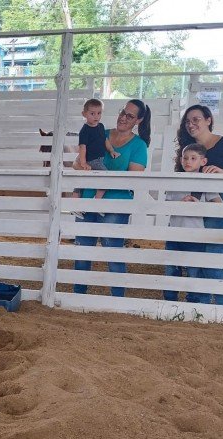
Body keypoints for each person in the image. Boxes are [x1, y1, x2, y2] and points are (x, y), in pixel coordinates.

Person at [72, 99, 151, 297]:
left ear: (138, 121)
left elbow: (133, 179)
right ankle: (77, 294)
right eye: (123, 112)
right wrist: (85, 166)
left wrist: (103, 178)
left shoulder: (139, 145)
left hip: (116, 203)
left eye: (130, 115)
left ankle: (117, 297)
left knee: (112, 249)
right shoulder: (100, 131)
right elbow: (76, 164)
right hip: (88, 198)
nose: (123, 117)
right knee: (82, 249)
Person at [175, 104, 223, 305]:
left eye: (196, 119)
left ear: (209, 120)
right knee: (196, 257)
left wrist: (221, 172)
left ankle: (222, 302)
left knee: (213, 256)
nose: (191, 124)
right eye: (187, 121)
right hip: (194, 206)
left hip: (219, 203)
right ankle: (198, 301)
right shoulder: (188, 151)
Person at [163, 143, 223, 303]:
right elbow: (165, 204)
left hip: (196, 236)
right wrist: (179, 204)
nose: (188, 161)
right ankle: (170, 301)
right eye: (185, 158)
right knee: (171, 269)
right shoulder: (175, 182)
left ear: (203, 162)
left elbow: (219, 205)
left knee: (194, 270)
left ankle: (195, 302)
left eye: (193, 158)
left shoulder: (206, 183)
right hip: (174, 234)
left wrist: (198, 204)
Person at [74, 99, 120, 206]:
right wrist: (83, 163)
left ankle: (75, 204)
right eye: (92, 113)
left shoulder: (101, 126)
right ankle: (97, 201)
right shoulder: (85, 130)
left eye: (99, 113)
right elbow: (82, 147)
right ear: (84, 114)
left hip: (100, 159)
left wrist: (112, 150)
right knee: (106, 177)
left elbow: (105, 140)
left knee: (82, 181)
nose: (96, 116)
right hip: (92, 160)